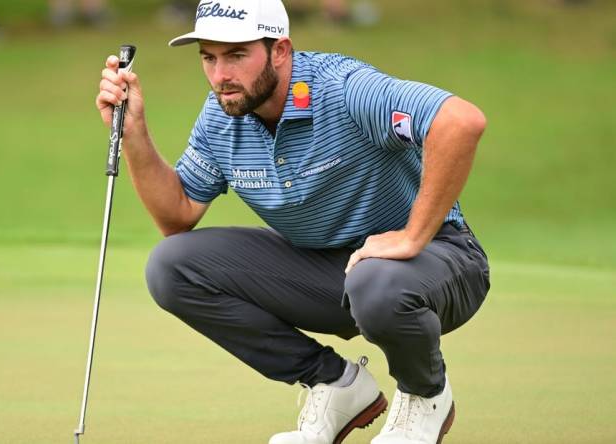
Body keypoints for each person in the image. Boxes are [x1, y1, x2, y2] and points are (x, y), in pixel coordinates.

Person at [95, 0, 490, 443]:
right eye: (209, 57)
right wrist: (134, 133)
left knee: (375, 282)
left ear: (280, 50)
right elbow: (177, 213)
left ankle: (425, 395)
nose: (220, 74)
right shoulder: (223, 118)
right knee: (172, 266)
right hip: (331, 274)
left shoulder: (344, 89)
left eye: (237, 55)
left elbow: (459, 120)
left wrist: (413, 235)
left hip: (439, 264)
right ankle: (336, 384)